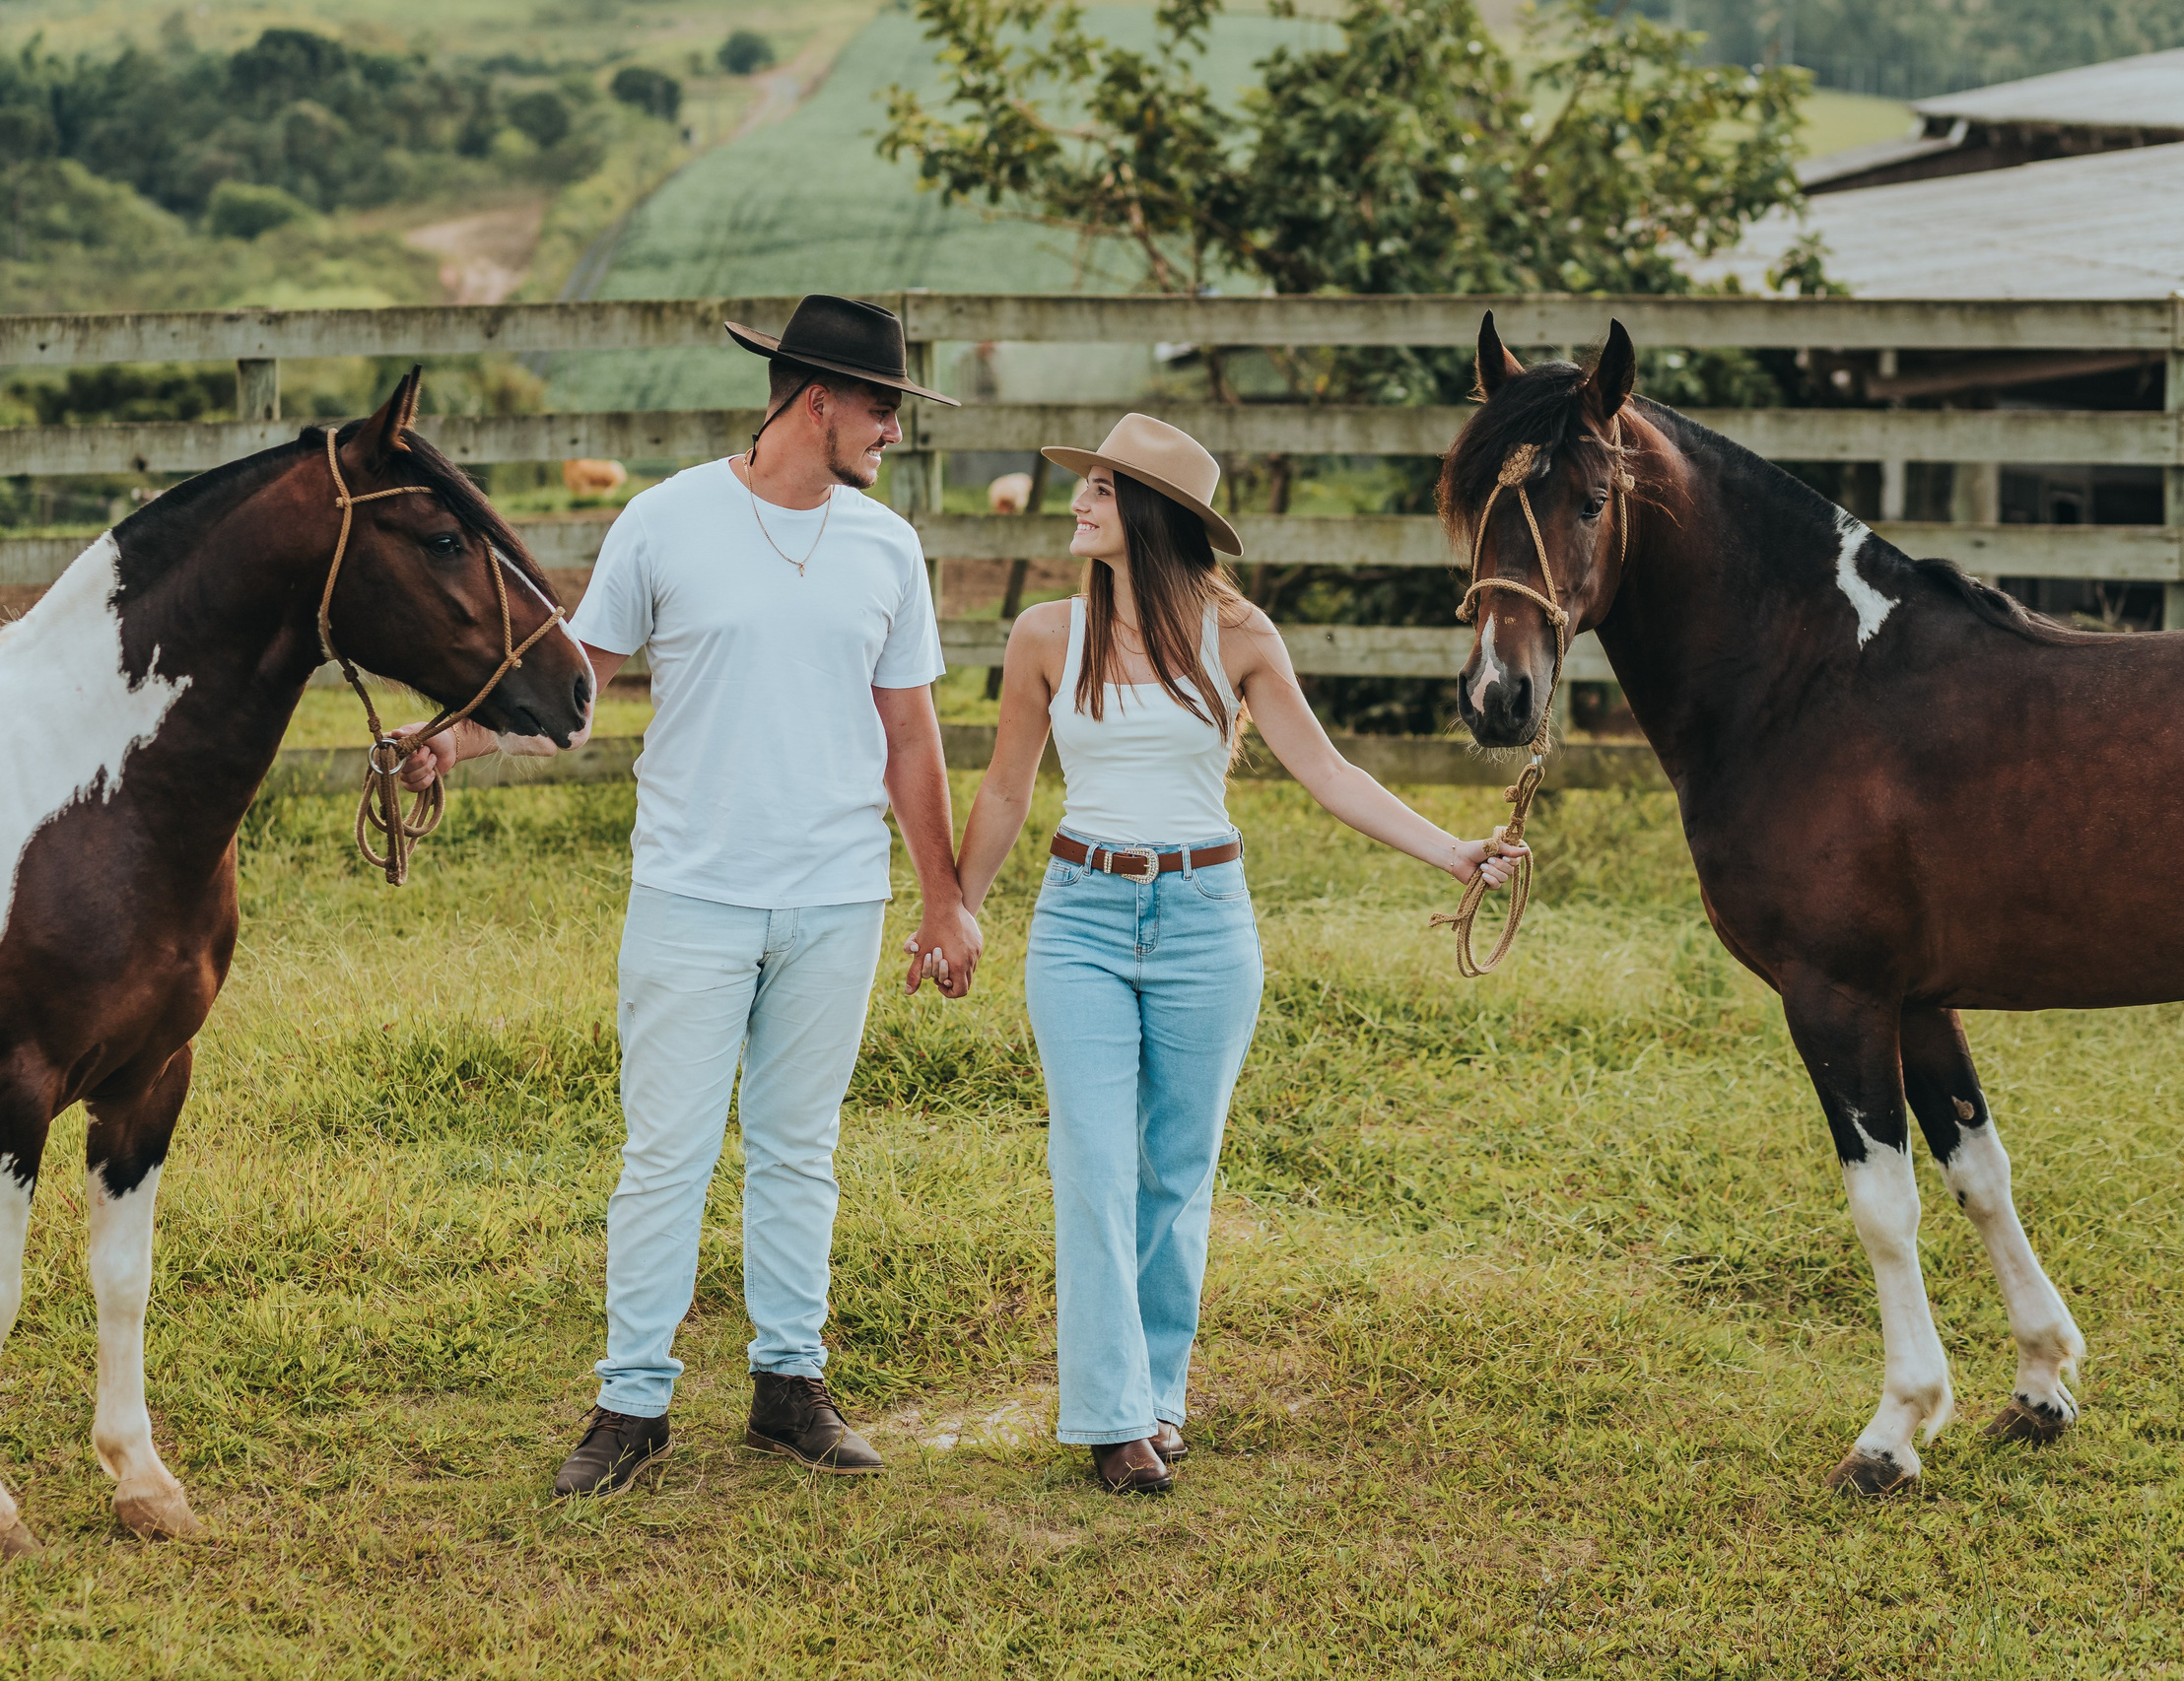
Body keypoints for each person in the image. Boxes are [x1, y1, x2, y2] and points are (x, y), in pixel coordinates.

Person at [397, 296, 984, 1498]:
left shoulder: (886, 547)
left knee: (797, 1147)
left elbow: (910, 734)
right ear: (814, 398)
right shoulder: (665, 520)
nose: (892, 432)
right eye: (882, 407)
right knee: (664, 1153)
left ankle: (788, 1385)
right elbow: (574, 684)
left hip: (835, 895)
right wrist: (456, 741)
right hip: (692, 892)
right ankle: (632, 1399)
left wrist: (943, 898)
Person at [916, 415, 1523, 1495]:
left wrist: (1454, 852)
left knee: (1174, 1172)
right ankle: (1111, 1416)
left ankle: (1156, 1397)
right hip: (1081, 918)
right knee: (1092, 1167)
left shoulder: (1239, 634)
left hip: (1204, 919)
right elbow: (1007, 787)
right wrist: (952, 907)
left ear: (1149, 511)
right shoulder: (1043, 634)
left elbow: (1327, 773)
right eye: (1083, 484)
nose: (1078, 501)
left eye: (1100, 487)